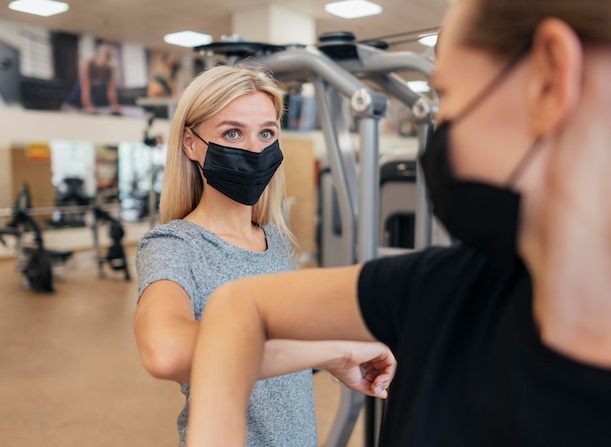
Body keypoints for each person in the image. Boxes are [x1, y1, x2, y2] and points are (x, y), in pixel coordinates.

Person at [185, 0, 611, 445]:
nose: (436, 123)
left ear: (548, 81)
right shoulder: (447, 289)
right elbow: (237, 308)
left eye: (446, 93)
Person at [134, 64, 396, 447]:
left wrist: (341, 349)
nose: (255, 150)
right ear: (190, 143)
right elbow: (165, 351)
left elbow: (286, 341)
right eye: (232, 132)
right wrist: (330, 353)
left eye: (267, 133)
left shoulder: (273, 238)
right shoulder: (175, 245)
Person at [61, 42, 122, 115]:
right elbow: (85, 88)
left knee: (94, 94)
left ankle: (86, 106)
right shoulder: (88, 64)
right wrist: (88, 106)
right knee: (78, 91)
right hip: (84, 85)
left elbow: (111, 90)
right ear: (99, 56)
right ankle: (69, 104)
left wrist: (115, 106)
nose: (104, 66)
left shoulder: (109, 69)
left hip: (94, 86)